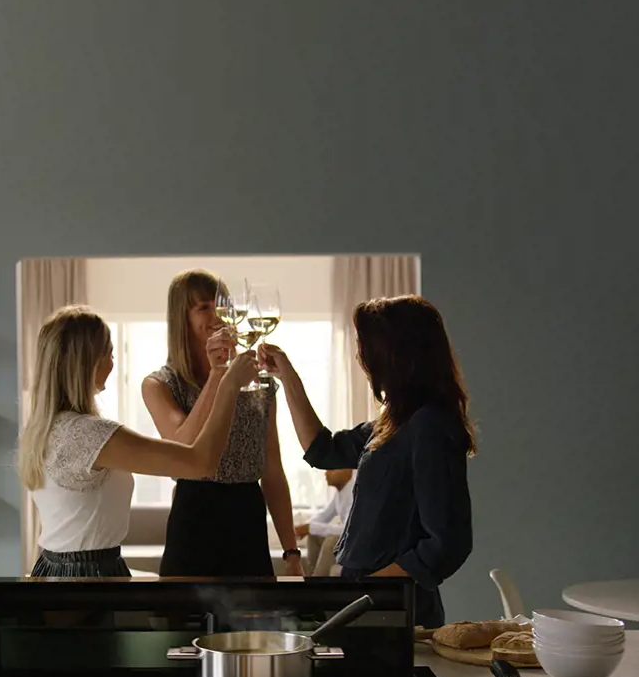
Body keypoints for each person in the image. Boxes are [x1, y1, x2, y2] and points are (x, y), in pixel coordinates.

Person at [259, 294, 476, 628]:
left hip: (394, 608)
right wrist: (287, 375)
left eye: (366, 346)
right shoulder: (394, 422)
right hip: (370, 601)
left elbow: (448, 543)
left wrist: (372, 586)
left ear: (395, 352)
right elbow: (323, 450)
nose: (362, 357)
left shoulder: (429, 425)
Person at [18, 304, 258, 577]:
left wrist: (216, 376)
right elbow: (201, 462)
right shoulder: (88, 435)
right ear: (88, 362)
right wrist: (229, 386)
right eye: (110, 353)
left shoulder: (44, 429)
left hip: (53, 569)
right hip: (89, 580)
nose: (113, 362)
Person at [142, 269, 302, 578]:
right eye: (203, 307)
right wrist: (219, 376)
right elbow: (181, 449)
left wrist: (291, 552)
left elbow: (271, 468)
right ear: (182, 319)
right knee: (183, 611)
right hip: (194, 517)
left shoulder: (259, 382)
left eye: (221, 306)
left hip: (248, 517)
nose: (217, 315)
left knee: (257, 611)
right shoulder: (160, 384)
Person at [294, 468, 356, 576]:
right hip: (349, 542)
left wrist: (310, 527)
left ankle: (319, 579)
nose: (326, 473)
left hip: (357, 543)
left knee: (332, 540)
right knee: (314, 535)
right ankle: (312, 576)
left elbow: (348, 531)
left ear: (347, 470)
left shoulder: (355, 492)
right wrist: (304, 527)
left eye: (331, 470)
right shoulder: (341, 492)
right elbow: (324, 515)